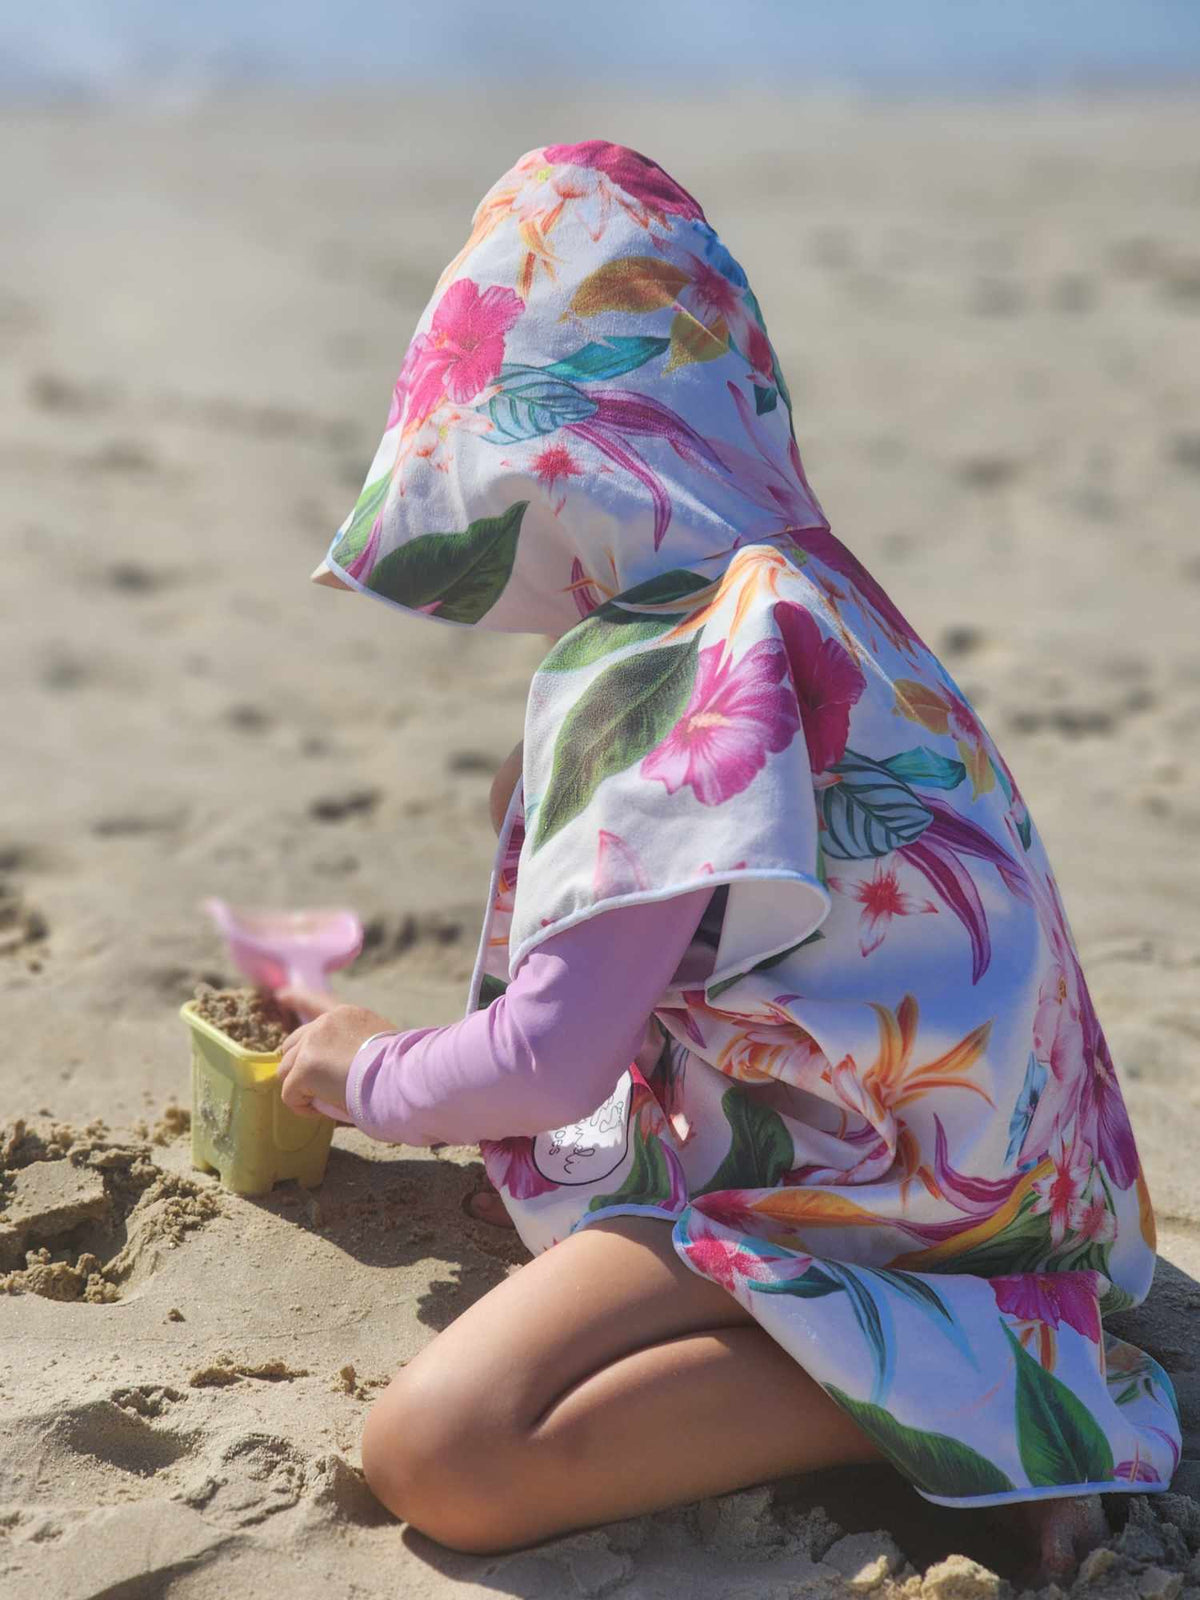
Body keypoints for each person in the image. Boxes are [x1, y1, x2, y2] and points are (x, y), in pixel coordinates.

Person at [274, 142, 1179, 1572]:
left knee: (442, 1451)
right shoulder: (806, 591)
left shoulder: (658, 660)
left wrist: (365, 1073)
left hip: (865, 1203)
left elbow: (551, 1063)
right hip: (1008, 1171)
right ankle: (970, 1362)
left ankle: (1012, 1395)